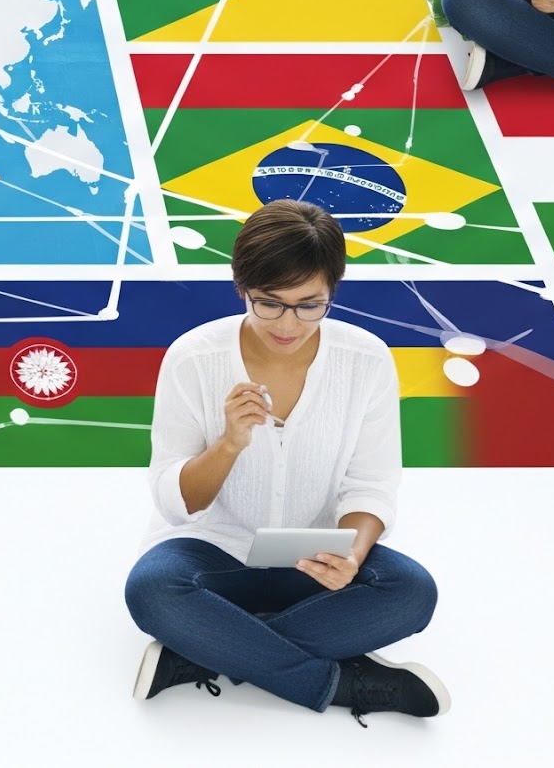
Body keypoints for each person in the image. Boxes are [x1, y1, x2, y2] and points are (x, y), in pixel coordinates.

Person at [125, 199, 448, 721]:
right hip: (214, 553)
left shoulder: (365, 359)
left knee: (411, 593)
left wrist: (353, 555)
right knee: (152, 591)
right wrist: (228, 443)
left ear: (332, 292)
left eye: (310, 304)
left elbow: (372, 484)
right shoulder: (194, 357)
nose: (288, 323)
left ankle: (203, 651)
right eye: (269, 302)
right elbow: (175, 502)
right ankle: (343, 682)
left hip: (312, 560)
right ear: (241, 288)